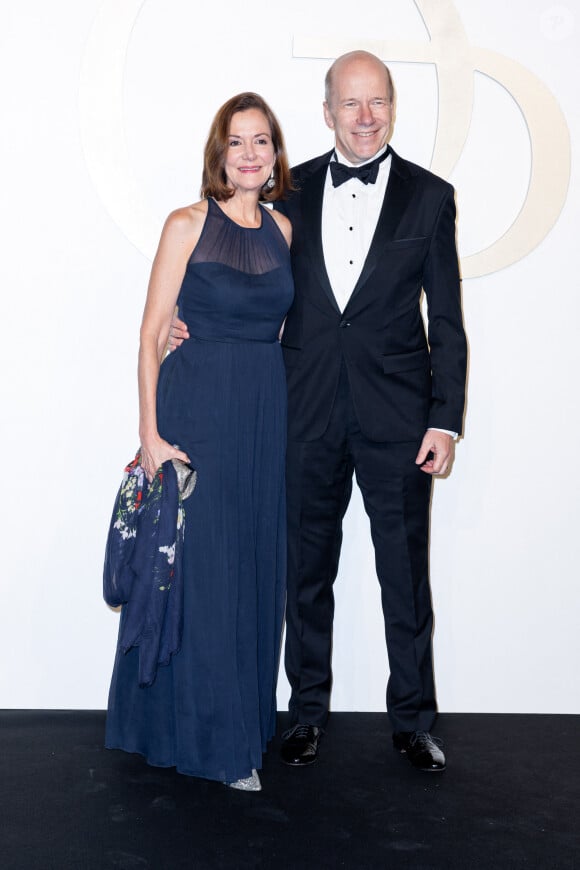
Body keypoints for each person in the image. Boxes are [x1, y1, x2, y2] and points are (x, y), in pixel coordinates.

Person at [172, 51, 467, 773]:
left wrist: (445, 418)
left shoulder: (430, 196)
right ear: (328, 109)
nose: (364, 118)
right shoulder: (288, 196)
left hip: (399, 416)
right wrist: (189, 325)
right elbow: (249, 285)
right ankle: (306, 715)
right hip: (300, 412)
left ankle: (412, 721)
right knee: (305, 571)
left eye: (377, 103)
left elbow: (449, 320)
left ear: (391, 107)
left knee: (404, 571)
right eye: (350, 104)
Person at [105, 92, 294, 792]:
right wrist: (150, 435)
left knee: (251, 569)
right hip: (197, 412)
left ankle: (235, 719)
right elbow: (153, 334)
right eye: (237, 142)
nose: (250, 154)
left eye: (262, 142)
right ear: (218, 154)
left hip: (261, 414)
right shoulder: (186, 223)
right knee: (204, 575)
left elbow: (278, 329)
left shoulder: (283, 230)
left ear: (275, 156)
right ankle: (220, 745)